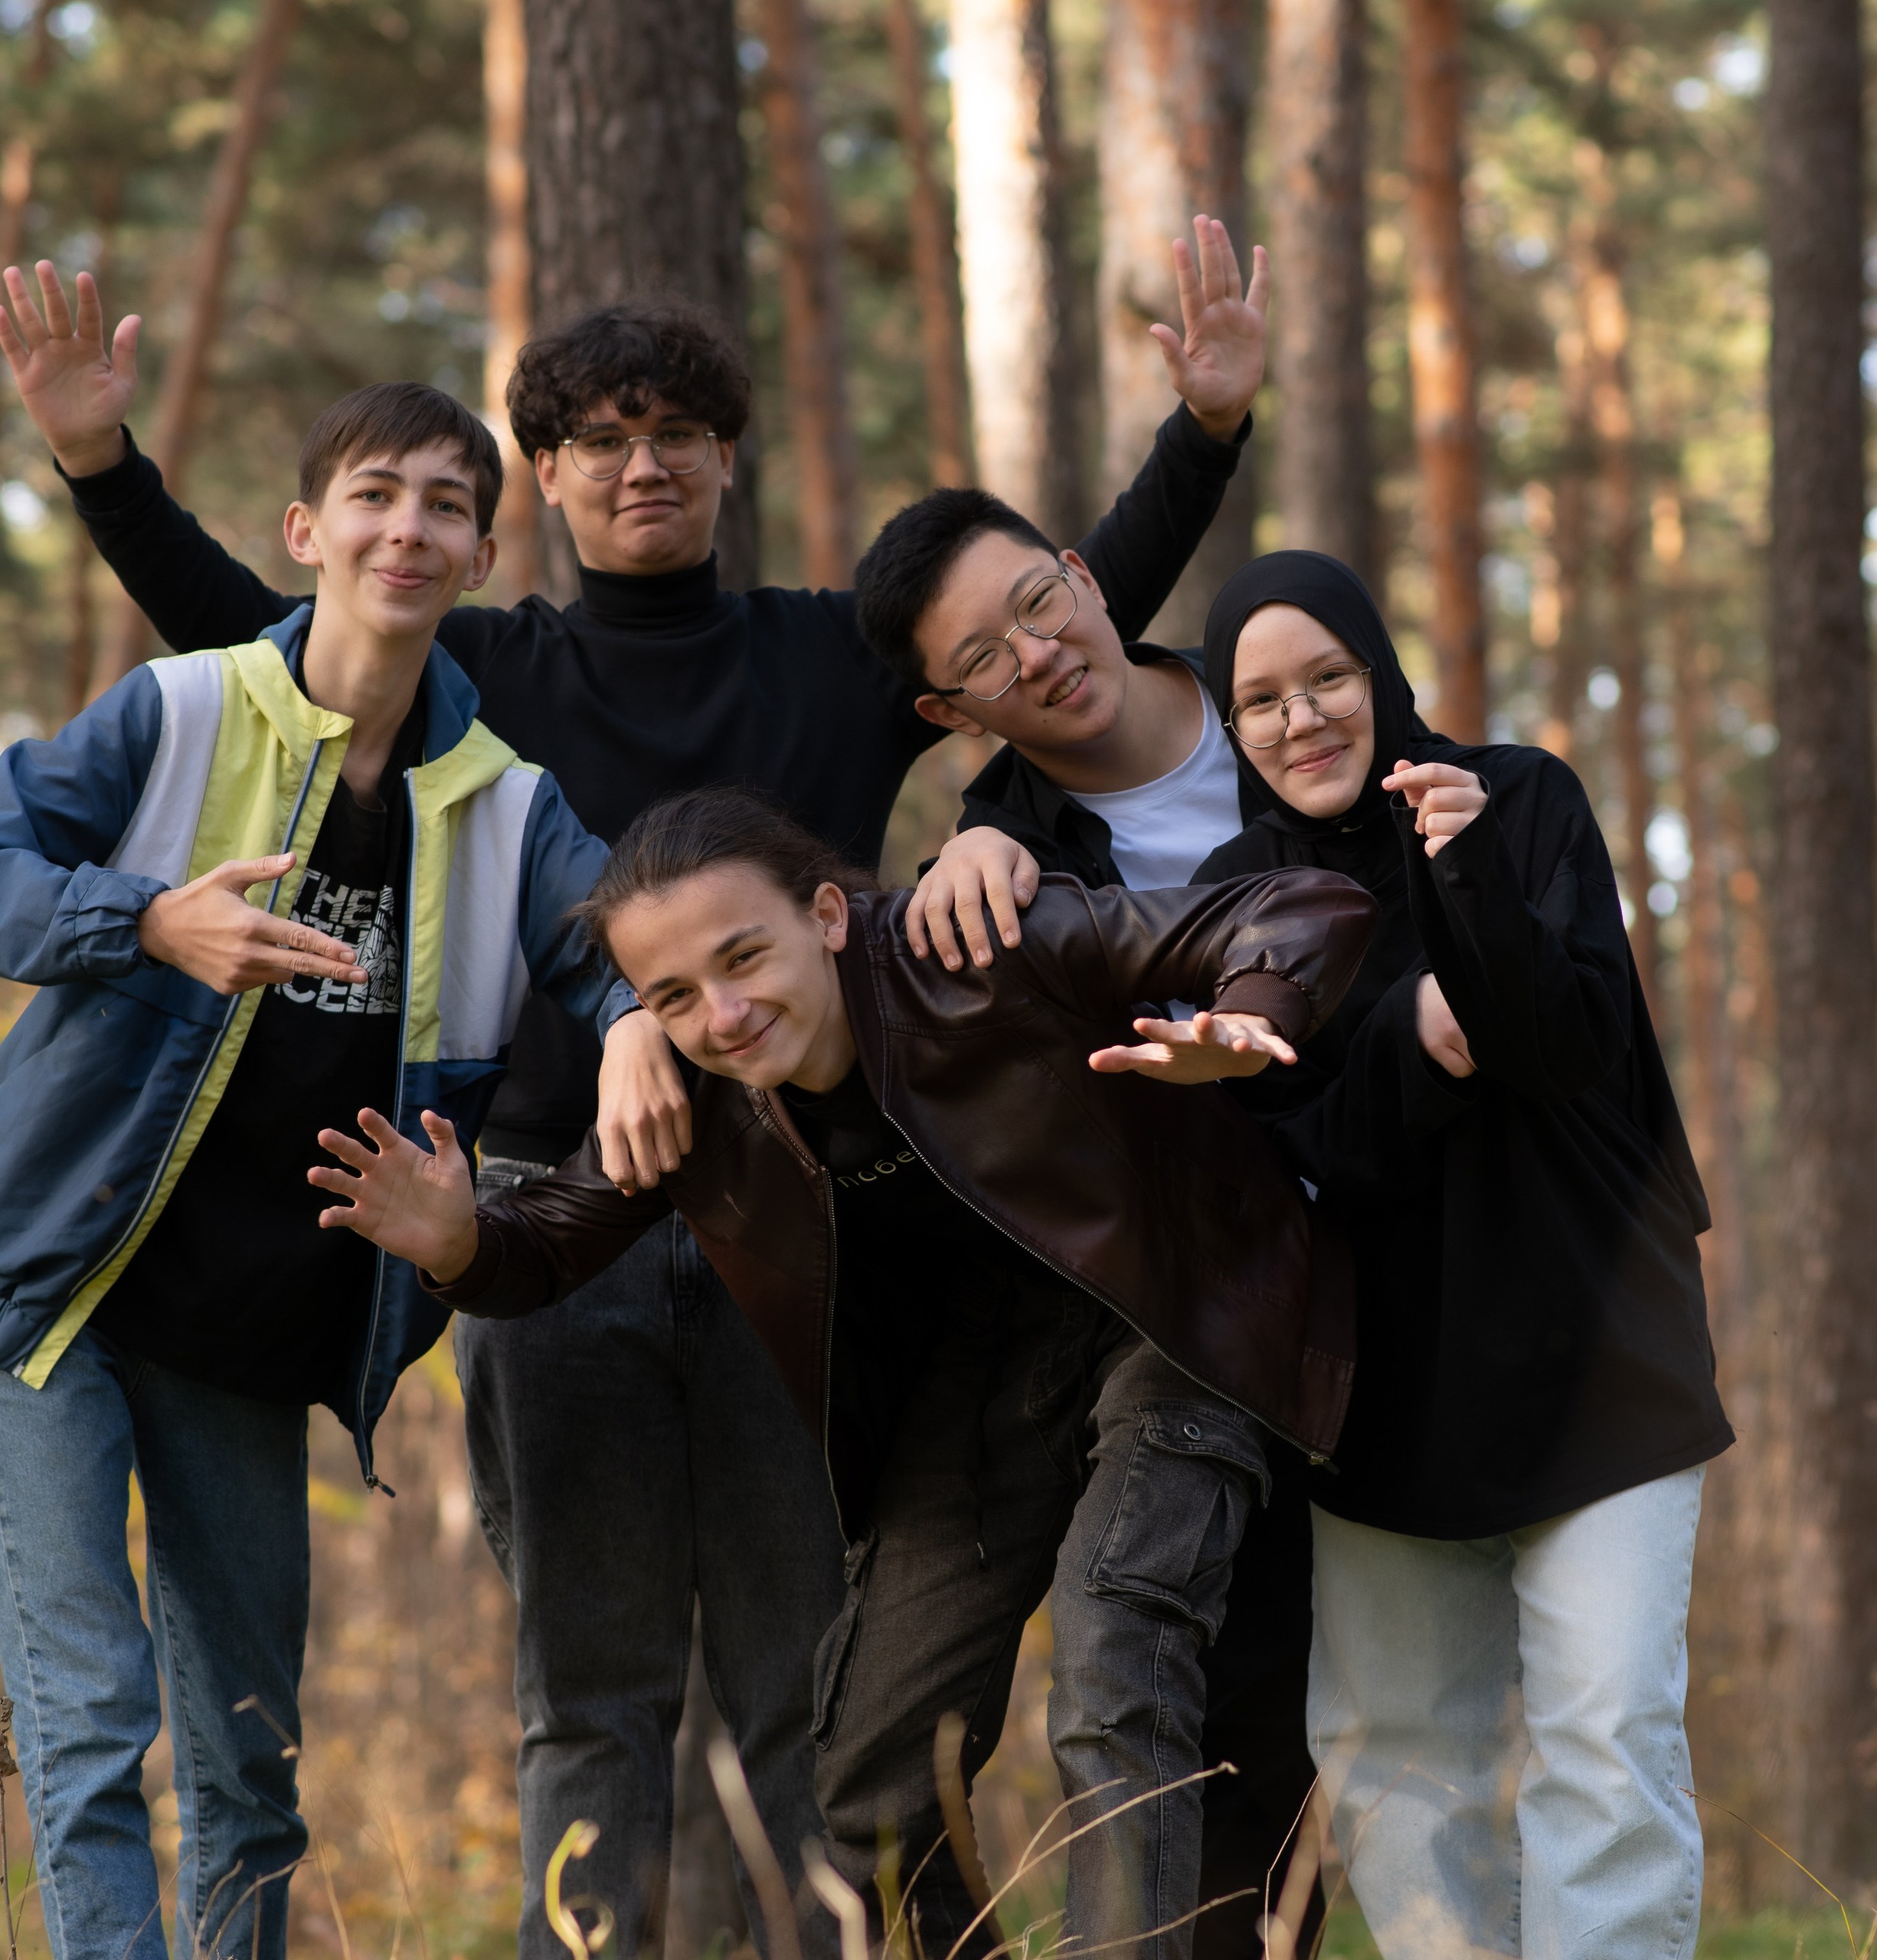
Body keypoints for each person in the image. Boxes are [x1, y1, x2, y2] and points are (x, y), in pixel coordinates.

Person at [0, 219, 1266, 1957]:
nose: (641, 462)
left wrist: (1200, 433)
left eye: (675, 432)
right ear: (546, 478)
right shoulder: (488, 677)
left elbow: (1051, 627)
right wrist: (98, 463)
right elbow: (263, 628)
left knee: (798, 1683)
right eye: (597, 437)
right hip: (551, 1220)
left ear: (726, 461)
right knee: (586, 1694)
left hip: (784, 1224)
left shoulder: (828, 651)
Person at [306, 786, 1377, 1960]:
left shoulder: (965, 949)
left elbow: (1297, 904)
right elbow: (551, 1238)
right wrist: (458, 1240)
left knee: (1116, 1648)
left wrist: (1246, 1012)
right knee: (874, 1772)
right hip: (982, 1376)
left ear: (825, 914)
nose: (722, 1013)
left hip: (1166, 1306)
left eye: (742, 956)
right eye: (672, 995)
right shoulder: (706, 1095)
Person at [0, 381, 656, 1960]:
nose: (407, 526)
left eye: (445, 502)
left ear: (482, 553)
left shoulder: (508, 805)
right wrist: (144, 920)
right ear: (307, 532)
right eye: (375, 494)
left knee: (249, 1747)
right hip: (53, 1292)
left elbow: (623, 936)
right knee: (90, 1711)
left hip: (251, 1325)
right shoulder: (183, 709)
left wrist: (638, 1022)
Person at [1189, 551, 1733, 1960]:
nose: (1302, 719)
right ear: (1231, 731)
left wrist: (1469, 886)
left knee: (1605, 1737)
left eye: (1329, 678)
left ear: (1381, 674)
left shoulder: (1518, 799)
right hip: (1379, 1394)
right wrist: (1414, 1028)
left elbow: (1564, 1040)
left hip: (1599, 1350)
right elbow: (1313, 1148)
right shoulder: (1237, 898)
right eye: (1261, 700)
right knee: (1396, 1769)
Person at [851, 485, 1326, 1954]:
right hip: (1157, 1304)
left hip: (1350, 1276)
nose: (1038, 654)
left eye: (1039, 605)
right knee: (1141, 1698)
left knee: (1290, 1734)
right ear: (952, 707)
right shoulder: (1001, 854)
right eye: (984, 661)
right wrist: (964, 853)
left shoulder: (1287, 707)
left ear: (1078, 575)